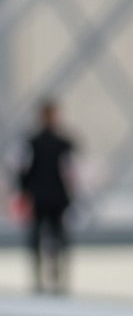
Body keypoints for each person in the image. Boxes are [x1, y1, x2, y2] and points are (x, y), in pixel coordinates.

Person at [18, 99, 76, 293]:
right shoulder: (64, 143)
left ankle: (40, 279)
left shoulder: (32, 143)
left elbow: (23, 172)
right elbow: (70, 172)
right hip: (57, 198)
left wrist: (25, 191)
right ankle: (56, 277)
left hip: (39, 197)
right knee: (58, 237)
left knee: (38, 238)